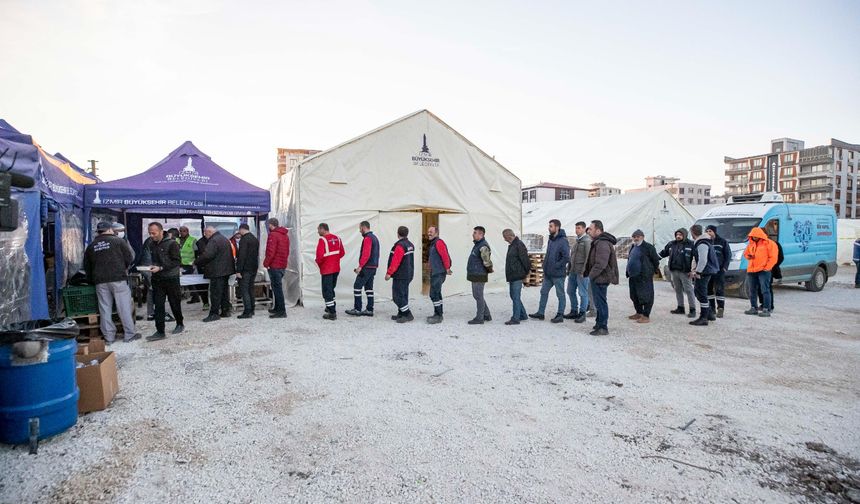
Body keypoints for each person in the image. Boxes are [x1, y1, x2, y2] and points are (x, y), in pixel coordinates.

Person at [83, 221, 140, 344]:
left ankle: (109, 338)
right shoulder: (118, 241)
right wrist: (122, 267)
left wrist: (92, 279)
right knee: (123, 307)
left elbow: (87, 266)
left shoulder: (91, 246)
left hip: (100, 281)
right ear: (109, 229)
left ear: (98, 231)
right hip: (118, 278)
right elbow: (129, 258)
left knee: (105, 309)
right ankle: (129, 335)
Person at [144, 222, 184, 341]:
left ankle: (180, 323)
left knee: (174, 302)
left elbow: (176, 261)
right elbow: (155, 260)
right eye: (150, 233)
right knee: (159, 305)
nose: (151, 235)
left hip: (171, 278)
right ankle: (160, 331)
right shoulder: (151, 244)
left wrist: (161, 267)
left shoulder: (172, 244)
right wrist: (151, 266)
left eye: (154, 233)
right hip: (157, 279)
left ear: (161, 231)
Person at [529, 219, 570, 323]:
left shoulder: (563, 241)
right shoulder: (551, 239)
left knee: (560, 294)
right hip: (548, 273)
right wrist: (544, 265)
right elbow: (548, 254)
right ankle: (540, 313)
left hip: (558, 274)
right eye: (549, 226)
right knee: (543, 292)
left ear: (557, 227)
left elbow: (566, 257)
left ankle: (560, 315)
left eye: (551, 226)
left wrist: (557, 265)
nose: (549, 228)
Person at [584, 220, 618, 336]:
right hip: (599, 277)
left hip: (601, 277)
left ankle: (603, 326)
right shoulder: (598, 242)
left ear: (598, 230)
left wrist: (591, 275)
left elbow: (601, 264)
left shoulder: (602, 243)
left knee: (601, 303)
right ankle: (599, 323)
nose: (589, 231)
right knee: (599, 302)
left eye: (591, 229)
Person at [195, 225, 236, 322]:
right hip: (226, 270)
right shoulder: (224, 239)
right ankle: (225, 311)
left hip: (217, 271)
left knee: (215, 293)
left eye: (205, 233)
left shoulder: (213, 240)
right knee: (223, 292)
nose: (205, 236)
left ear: (209, 232)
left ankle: (214, 314)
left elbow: (207, 255)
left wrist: (196, 261)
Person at [625, 229, 661, 324]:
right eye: (634, 237)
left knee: (646, 296)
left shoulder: (649, 247)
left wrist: (651, 271)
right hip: (633, 276)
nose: (636, 238)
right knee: (634, 295)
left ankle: (646, 315)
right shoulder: (633, 246)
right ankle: (639, 312)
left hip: (644, 276)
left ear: (642, 237)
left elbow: (655, 260)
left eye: (638, 236)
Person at [659, 228, 696, 318]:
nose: (678, 236)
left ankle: (692, 309)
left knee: (689, 290)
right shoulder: (672, 244)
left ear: (685, 235)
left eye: (680, 234)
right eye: (677, 234)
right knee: (678, 289)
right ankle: (680, 307)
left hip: (685, 272)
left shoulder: (691, 244)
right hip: (674, 271)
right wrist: (652, 258)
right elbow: (663, 253)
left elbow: (696, 258)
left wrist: (693, 270)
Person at [346, 221, 380, 317]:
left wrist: (360, 266)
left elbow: (366, 254)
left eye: (360, 228)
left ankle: (357, 309)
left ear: (364, 228)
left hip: (367, 267)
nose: (359, 230)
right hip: (373, 267)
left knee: (357, 286)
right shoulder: (375, 238)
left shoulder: (368, 238)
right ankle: (369, 309)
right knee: (369, 288)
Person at [743, 227, 778, 317]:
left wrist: (767, 268)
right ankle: (753, 307)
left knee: (765, 290)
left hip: (763, 270)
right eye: (752, 236)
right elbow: (746, 253)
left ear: (760, 235)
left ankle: (767, 308)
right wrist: (748, 256)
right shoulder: (751, 244)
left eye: (756, 235)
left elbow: (773, 257)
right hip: (751, 270)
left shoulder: (770, 244)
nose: (754, 237)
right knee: (752, 290)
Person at [688, 224, 719, 326]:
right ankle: (709, 313)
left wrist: (698, 272)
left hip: (704, 272)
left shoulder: (702, 244)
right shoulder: (704, 242)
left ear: (693, 232)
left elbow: (703, 260)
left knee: (701, 293)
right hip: (707, 270)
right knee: (699, 292)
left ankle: (704, 317)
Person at [385, 226, 415, 323]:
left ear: (398, 234)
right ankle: (401, 313)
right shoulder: (410, 245)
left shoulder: (400, 246)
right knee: (404, 294)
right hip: (408, 273)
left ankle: (407, 314)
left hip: (400, 275)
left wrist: (389, 273)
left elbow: (396, 261)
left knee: (397, 296)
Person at [315, 223, 345, 320]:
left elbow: (319, 256)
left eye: (318, 229)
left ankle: (332, 313)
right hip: (336, 268)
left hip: (326, 269)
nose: (318, 231)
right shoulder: (338, 238)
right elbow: (342, 253)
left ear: (323, 229)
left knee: (326, 291)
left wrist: (320, 263)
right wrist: (334, 260)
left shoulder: (322, 240)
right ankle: (330, 306)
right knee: (331, 289)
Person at [565, 221, 592, 323]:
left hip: (581, 272)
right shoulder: (577, 241)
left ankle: (582, 313)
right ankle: (574, 310)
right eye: (576, 228)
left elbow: (588, 258)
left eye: (579, 228)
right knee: (570, 291)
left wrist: (584, 271)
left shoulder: (587, 241)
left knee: (582, 293)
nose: (577, 230)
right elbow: (572, 256)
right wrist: (569, 269)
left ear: (584, 229)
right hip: (573, 271)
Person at [425, 226, 453, 324]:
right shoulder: (433, 243)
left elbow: (444, 255)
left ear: (436, 233)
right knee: (437, 293)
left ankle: (438, 315)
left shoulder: (439, 242)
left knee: (433, 293)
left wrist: (447, 268)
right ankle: (438, 312)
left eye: (431, 232)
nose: (429, 233)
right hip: (435, 271)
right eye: (428, 231)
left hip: (439, 272)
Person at [263, 218, 290, 318]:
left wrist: (266, 263)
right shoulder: (285, 235)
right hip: (282, 264)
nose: (267, 226)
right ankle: (277, 308)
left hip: (275, 265)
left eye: (268, 224)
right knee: (276, 288)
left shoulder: (273, 235)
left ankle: (281, 311)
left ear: (271, 224)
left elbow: (271, 251)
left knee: (277, 289)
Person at [467, 226, 494, 325]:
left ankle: (479, 318)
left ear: (481, 234)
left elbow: (486, 261)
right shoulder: (478, 245)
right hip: (475, 274)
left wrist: (489, 269)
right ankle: (486, 315)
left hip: (479, 274)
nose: (473, 234)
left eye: (475, 233)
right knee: (478, 295)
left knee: (478, 296)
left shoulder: (483, 246)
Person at [503, 229, 530, 325]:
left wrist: (525, 273)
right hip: (513, 275)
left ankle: (516, 318)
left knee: (515, 296)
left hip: (517, 275)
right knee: (513, 296)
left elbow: (525, 260)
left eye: (504, 237)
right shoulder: (513, 245)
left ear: (509, 236)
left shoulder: (519, 245)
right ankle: (522, 314)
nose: (504, 239)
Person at [235, 224, 260, 319]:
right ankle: (252, 309)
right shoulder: (254, 239)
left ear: (241, 229)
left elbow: (242, 256)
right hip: (253, 267)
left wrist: (238, 270)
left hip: (245, 269)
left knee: (244, 290)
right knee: (250, 289)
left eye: (239, 231)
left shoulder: (244, 240)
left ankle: (247, 311)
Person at [705, 225, 731, 318]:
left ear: (714, 232)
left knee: (719, 289)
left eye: (710, 231)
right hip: (708, 270)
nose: (708, 233)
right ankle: (712, 308)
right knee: (709, 289)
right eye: (707, 231)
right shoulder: (705, 242)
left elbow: (728, 255)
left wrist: (724, 267)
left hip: (719, 270)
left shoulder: (722, 242)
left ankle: (720, 308)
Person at [192, 232, 210, 310]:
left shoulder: (214, 240)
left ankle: (216, 303)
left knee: (214, 287)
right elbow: (199, 255)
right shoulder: (200, 242)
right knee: (203, 286)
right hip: (203, 267)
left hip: (212, 267)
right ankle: (205, 303)